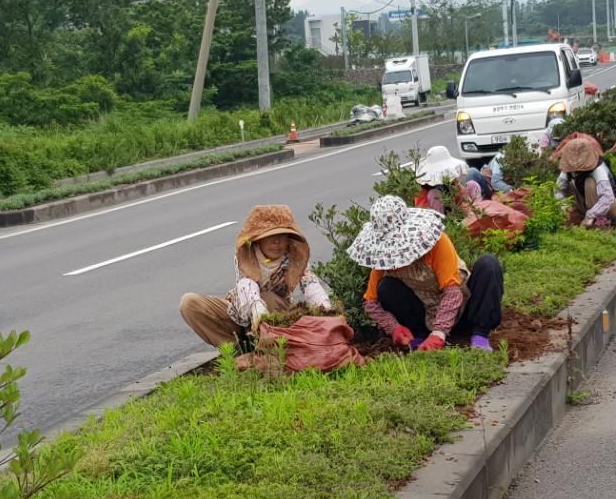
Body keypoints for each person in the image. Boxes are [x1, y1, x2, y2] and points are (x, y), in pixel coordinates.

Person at [347, 195, 504, 353]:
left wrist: (439, 333)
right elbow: (371, 303)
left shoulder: (437, 242)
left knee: (488, 264)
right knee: (387, 287)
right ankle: (419, 336)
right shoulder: (382, 256)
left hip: (464, 308)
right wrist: (394, 328)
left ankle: (480, 335)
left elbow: (452, 292)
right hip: (425, 316)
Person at [179, 205, 331, 346]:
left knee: (268, 298)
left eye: (282, 235)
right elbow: (247, 283)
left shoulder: (294, 257)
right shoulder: (248, 255)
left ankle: (270, 347)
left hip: (276, 314)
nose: (277, 241)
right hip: (241, 311)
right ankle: (237, 350)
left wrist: (326, 312)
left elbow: (311, 285)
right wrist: (255, 308)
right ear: (258, 239)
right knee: (189, 303)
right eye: (270, 235)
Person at [552, 135, 616, 228]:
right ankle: (579, 216)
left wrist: (591, 215)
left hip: (608, 209)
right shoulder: (568, 170)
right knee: (567, 184)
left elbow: (607, 198)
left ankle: (600, 221)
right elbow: (558, 190)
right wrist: (564, 207)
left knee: (590, 183)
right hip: (584, 205)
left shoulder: (598, 169)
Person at [415, 146, 491, 213]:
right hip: (438, 215)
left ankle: (478, 213)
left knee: (472, 184)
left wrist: (470, 208)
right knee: (434, 193)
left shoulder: (450, 178)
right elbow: (422, 209)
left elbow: (462, 195)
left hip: (458, 208)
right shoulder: (423, 187)